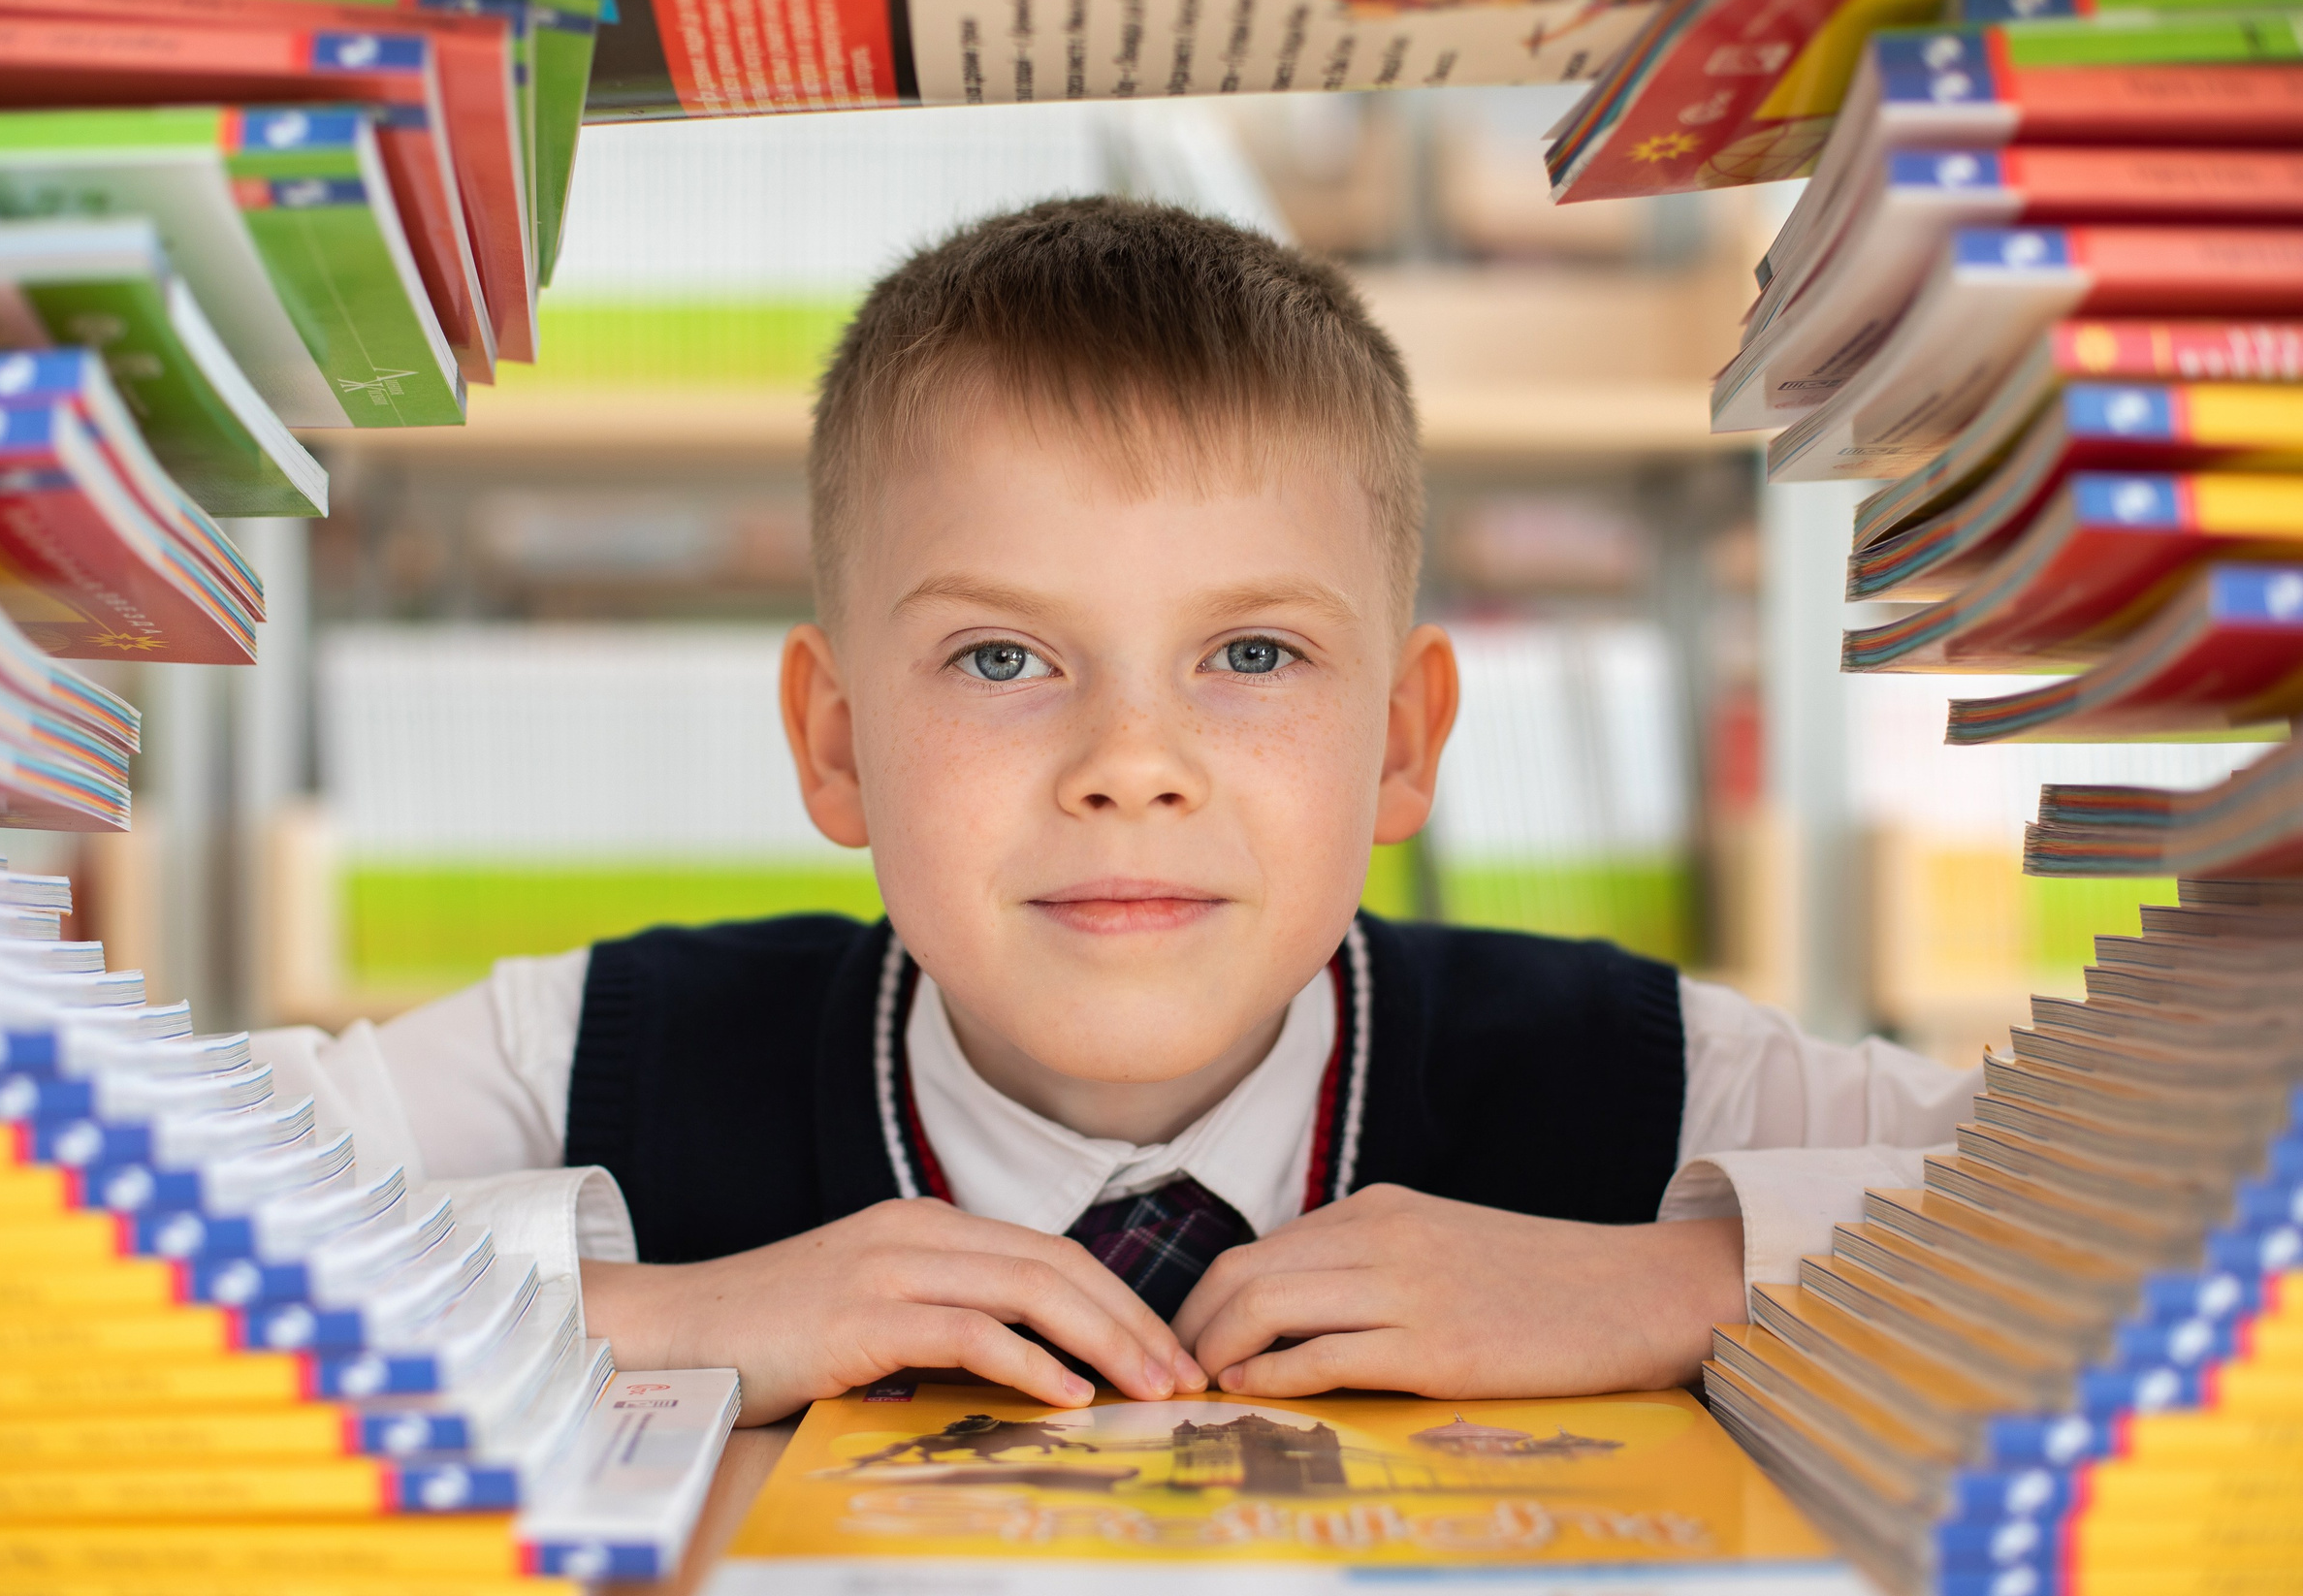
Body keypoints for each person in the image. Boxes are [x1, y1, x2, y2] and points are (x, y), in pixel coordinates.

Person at [258, 197, 1976, 1427]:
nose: (1129, 761)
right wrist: (661, 1314)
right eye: (1003, 657)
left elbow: (2214, 1205)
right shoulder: (599, 1056)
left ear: (1403, 741)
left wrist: (1683, 1283)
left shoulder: (1638, 1077)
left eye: (1250, 651)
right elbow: (53, 1228)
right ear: (837, 742)